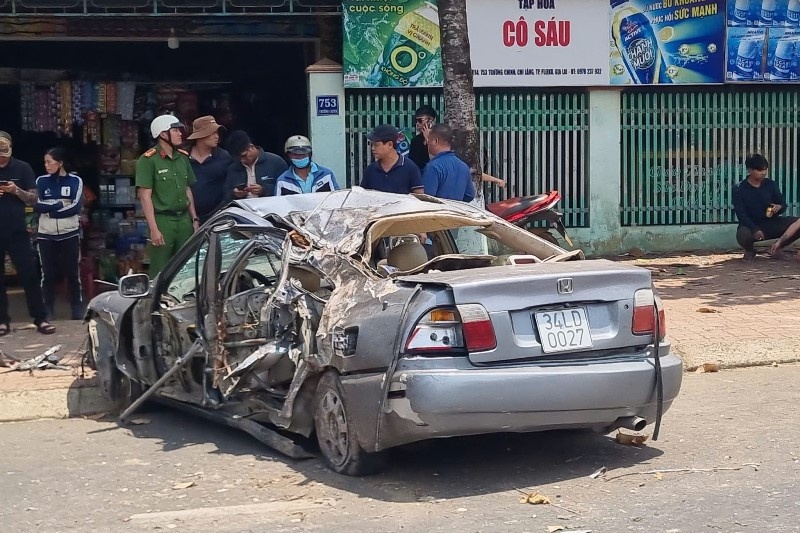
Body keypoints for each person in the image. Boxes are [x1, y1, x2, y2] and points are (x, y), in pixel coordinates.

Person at [0, 136, 54, 335]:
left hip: (17, 230)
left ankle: (40, 318)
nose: (2, 160)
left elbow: (33, 199)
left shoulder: (22, 168)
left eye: (4, 156)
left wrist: (16, 191)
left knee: (29, 274)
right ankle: (2, 321)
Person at [136, 114, 200, 277]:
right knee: (160, 270)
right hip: (163, 220)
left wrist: (194, 219)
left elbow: (187, 190)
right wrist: (154, 229)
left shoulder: (183, 157)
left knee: (187, 268)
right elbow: (145, 196)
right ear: (163, 134)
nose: (180, 134)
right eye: (175, 130)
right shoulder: (148, 159)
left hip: (184, 220)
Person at [35, 147, 84, 320]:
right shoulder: (41, 181)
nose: (46, 165)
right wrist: (59, 205)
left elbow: (76, 207)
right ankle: (47, 309)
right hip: (45, 234)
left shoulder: (75, 181)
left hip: (69, 233)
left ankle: (76, 308)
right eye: (45, 162)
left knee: (72, 273)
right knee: (47, 275)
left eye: (49, 162)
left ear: (60, 163)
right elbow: (36, 204)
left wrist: (52, 210)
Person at [732, 154, 799, 261]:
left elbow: (782, 204)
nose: (763, 173)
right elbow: (741, 214)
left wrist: (779, 207)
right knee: (743, 234)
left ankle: (777, 248)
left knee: (798, 224)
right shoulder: (739, 188)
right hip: (751, 224)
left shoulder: (771, 184)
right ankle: (750, 251)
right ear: (750, 170)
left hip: (772, 222)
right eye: (759, 170)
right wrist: (755, 229)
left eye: (765, 169)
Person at [186, 115, 233, 224]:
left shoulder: (224, 157)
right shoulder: (184, 158)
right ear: (200, 136)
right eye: (212, 133)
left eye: (217, 133)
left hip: (218, 217)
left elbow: (230, 185)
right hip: (188, 218)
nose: (216, 136)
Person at [224, 130, 288, 202]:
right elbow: (226, 194)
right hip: (242, 209)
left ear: (251, 147)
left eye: (244, 156)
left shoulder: (276, 162)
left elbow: (287, 190)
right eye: (238, 158)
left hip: (270, 206)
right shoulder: (233, 168)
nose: (242, 160)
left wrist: (264, 190)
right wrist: (235, 193)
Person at [360, 124, 424, 194]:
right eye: (372, 145)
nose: (372, 148)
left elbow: (419, 198)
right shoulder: (370, 170)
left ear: (390, 144)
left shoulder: (410, 168)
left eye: (376, 145)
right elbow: (363, 197)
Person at [422, 124, 476, 202]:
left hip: (437, 212)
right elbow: (470, 195)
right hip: (455, 212)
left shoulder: (433, 167)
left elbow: (426, 198)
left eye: (429, 139)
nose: (428, 143)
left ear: (435, 141)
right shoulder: (463, 166)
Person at [275, 135, 340, 196]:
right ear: (289, 155)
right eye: (295, 154)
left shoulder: (326, 175)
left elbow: (336, 198)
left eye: (303, 154)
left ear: (309, 154)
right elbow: (279, 205)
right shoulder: (283, 181)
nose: (300, 157)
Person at [409, 105, 436, 171]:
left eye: (420, 120)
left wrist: (428, 140)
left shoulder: (440, 138)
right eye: (416, 121)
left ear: (430, 121)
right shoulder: (415, 140)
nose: (417, 124)